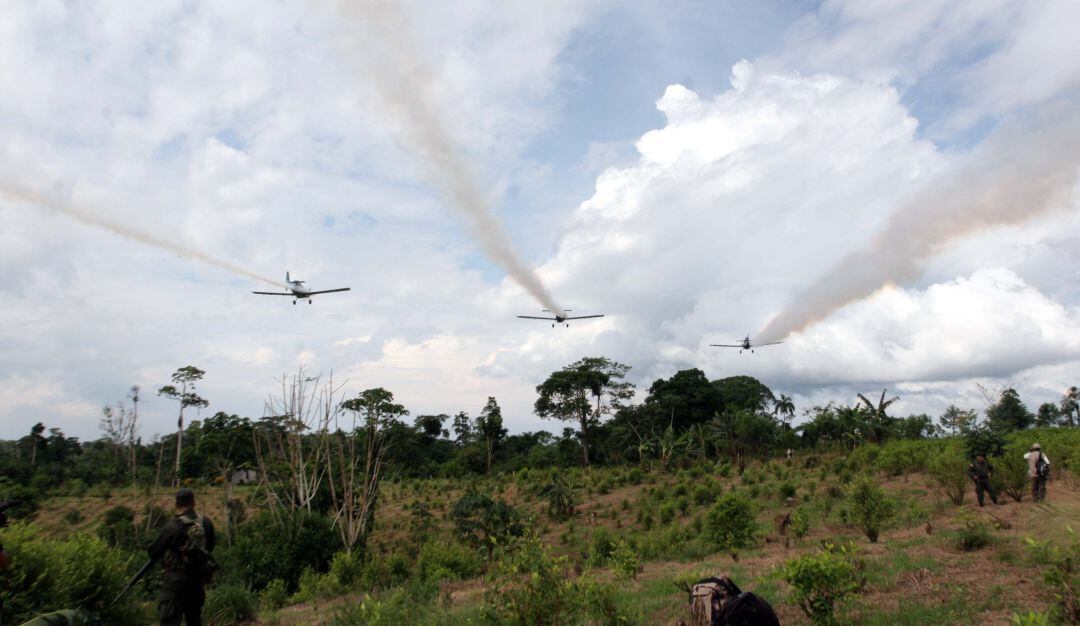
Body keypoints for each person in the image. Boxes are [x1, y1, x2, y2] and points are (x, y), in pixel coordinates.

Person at [148, 489, 216, 626]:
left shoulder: (172, 527)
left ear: (176, 504)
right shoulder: (206, 523)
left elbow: (153, 551)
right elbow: (210, 547)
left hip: (175, 581)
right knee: (194, 618)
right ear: (193, 502)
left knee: (170, 620)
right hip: (197, 580)